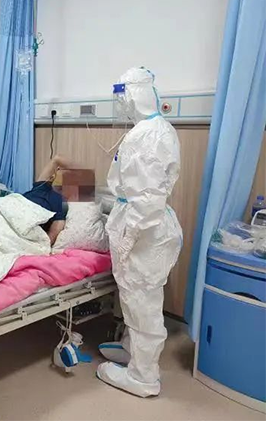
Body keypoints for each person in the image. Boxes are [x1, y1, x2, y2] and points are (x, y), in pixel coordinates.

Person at [96, 67, 183, 397]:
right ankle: (133, 351)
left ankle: (143, 377)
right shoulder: (157, 129)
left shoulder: (144, 136)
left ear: (133, 96)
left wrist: (128, 236)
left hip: (144, 231)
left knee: (141, 302)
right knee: (139, 299)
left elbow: (146, 199)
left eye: (122, 98)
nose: (121, 105)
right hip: (151, 226)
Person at [22, 155, 69, 245]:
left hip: (26, 220)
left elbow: (55, 229)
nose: (58, 170)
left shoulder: (61, 200)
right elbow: (56, 159)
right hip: (13, 206)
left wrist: (41, 246)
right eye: (58, 169)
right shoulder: (41, 186)